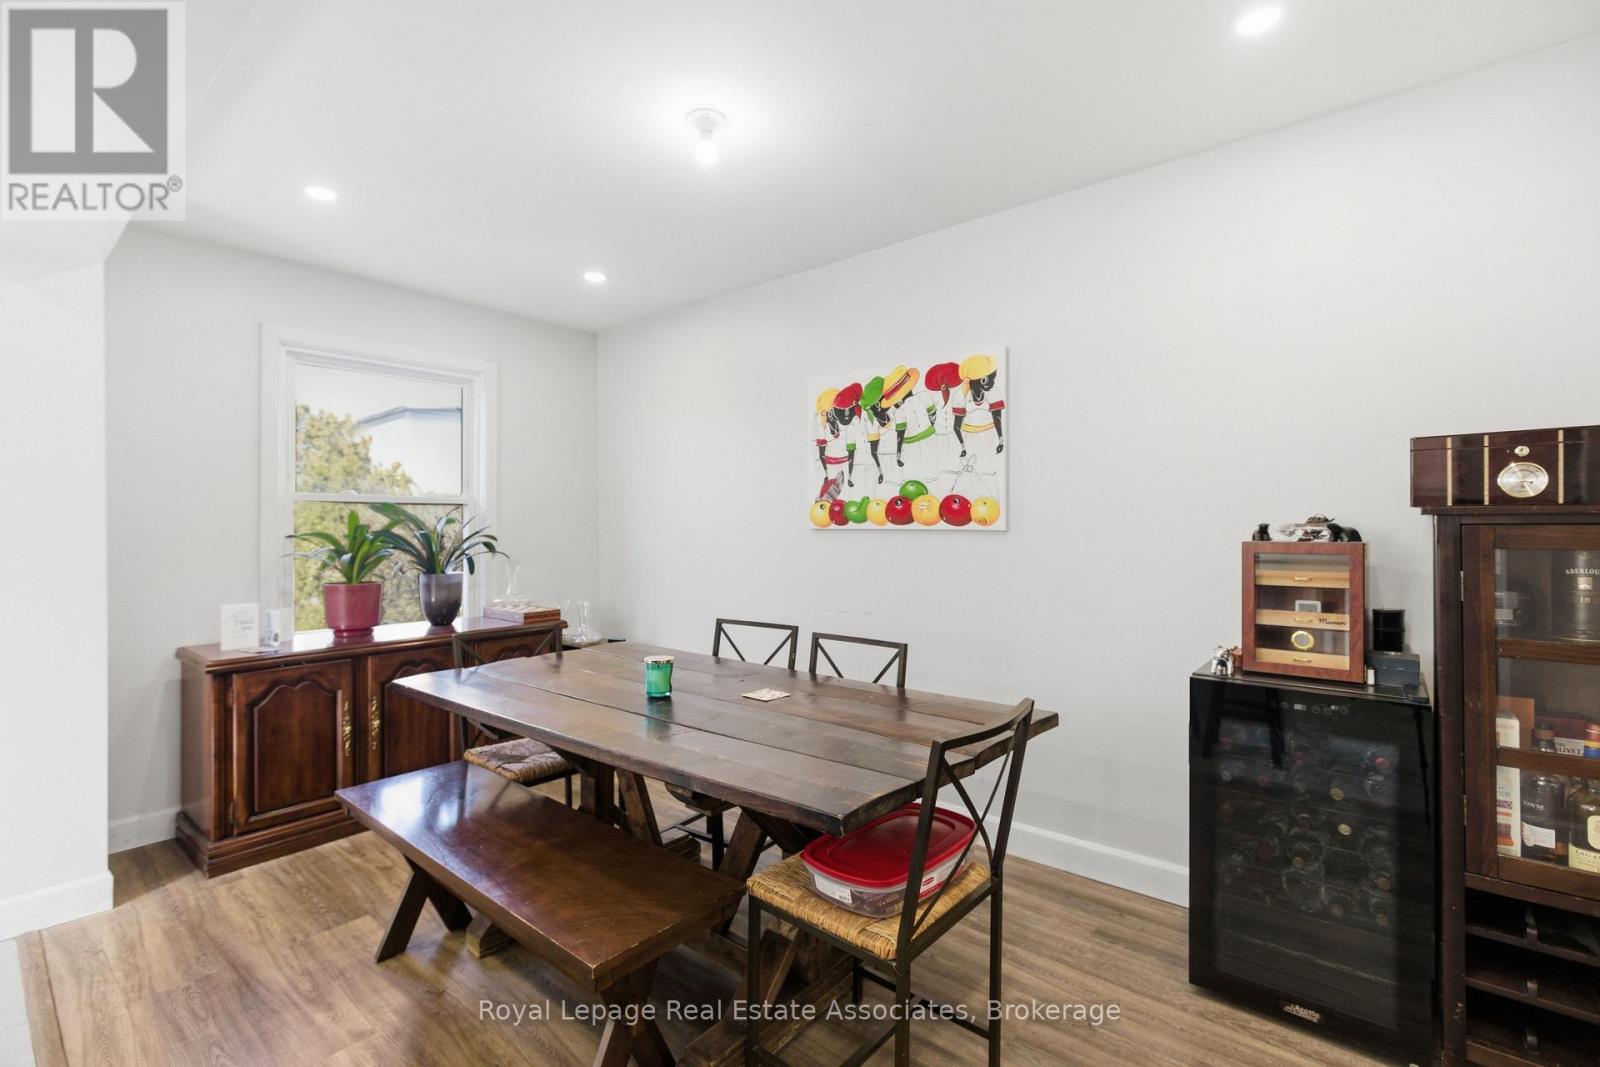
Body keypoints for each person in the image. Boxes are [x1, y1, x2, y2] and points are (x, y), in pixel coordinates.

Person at [952, 354, 1005, 457]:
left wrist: (1001, 441)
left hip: (990, 436)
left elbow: (997, 419)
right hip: (968, 438)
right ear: (972, 380)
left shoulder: (994, 392)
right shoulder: (960, 396)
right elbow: (956, 426)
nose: (992, 384)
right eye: (985, 380)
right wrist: (963, 447)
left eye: (993, 378)